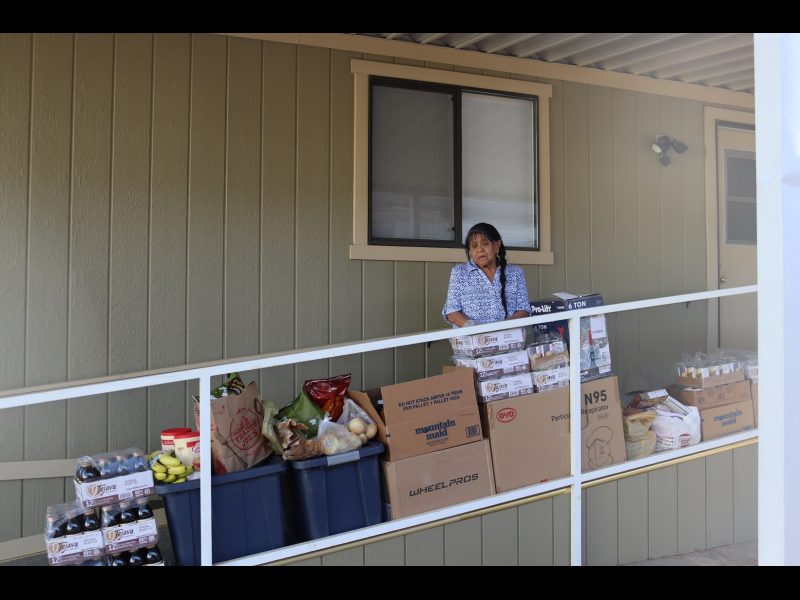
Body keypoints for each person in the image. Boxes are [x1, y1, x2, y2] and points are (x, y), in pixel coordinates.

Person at [442, 222, 531, 326]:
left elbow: (524, 309)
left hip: (508, 338)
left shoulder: (515, 272)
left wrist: (504, 329)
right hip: (473, 339)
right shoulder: (460, 273)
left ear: (497, 245)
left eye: (485, 243)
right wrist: (476, 330)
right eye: (474, 246)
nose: (479, 249)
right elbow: (451, 312)